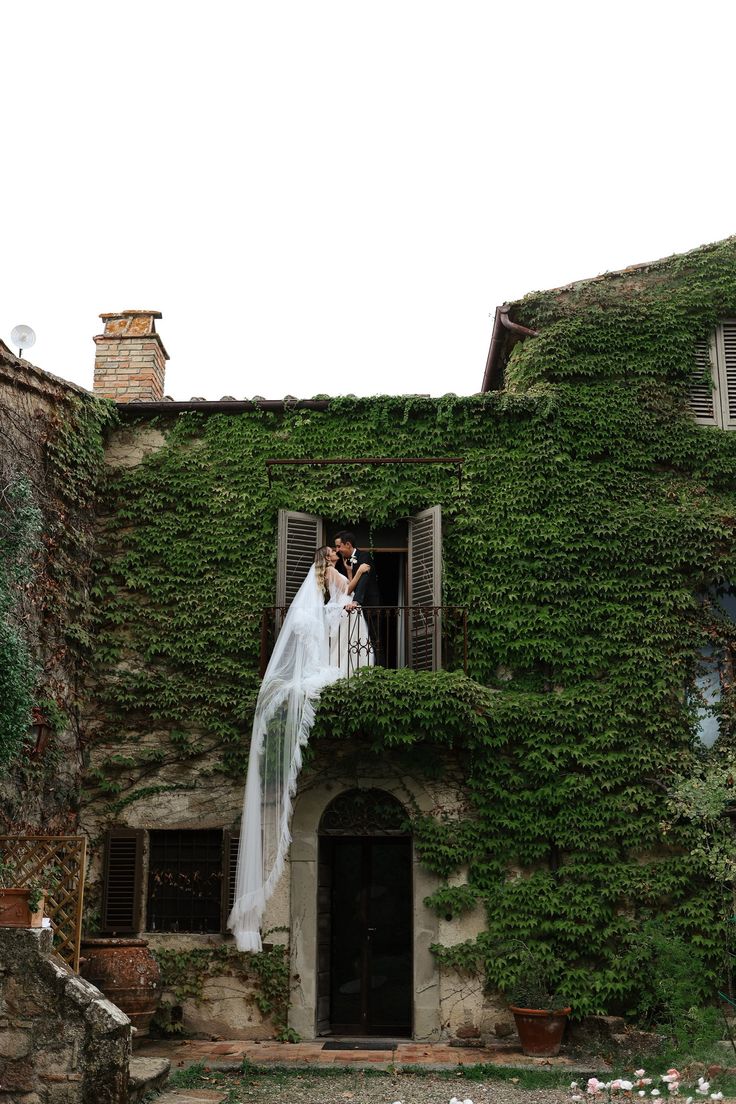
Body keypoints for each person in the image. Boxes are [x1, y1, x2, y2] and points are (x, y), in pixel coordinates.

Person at [228, 545, 373, 953]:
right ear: (324, 564)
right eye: (329, 558)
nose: (332, 561)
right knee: (321, 676)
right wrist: (350, 586)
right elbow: (332, 616)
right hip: (324, 652)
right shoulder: (327, 585)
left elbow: (330, 614)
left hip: (325, 645)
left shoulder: (322, 585)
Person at [334, 531, 382, 661]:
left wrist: (356, 601)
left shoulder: (364, 556)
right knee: (359, 640)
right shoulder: (346, 562)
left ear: (348, 544)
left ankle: (379, 672)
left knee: (373, 639)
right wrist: (349, 571)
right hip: (355, 608)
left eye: (339, 546)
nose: (337, 550)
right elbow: (351, 585)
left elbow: (364, 581)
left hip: (369, 604)